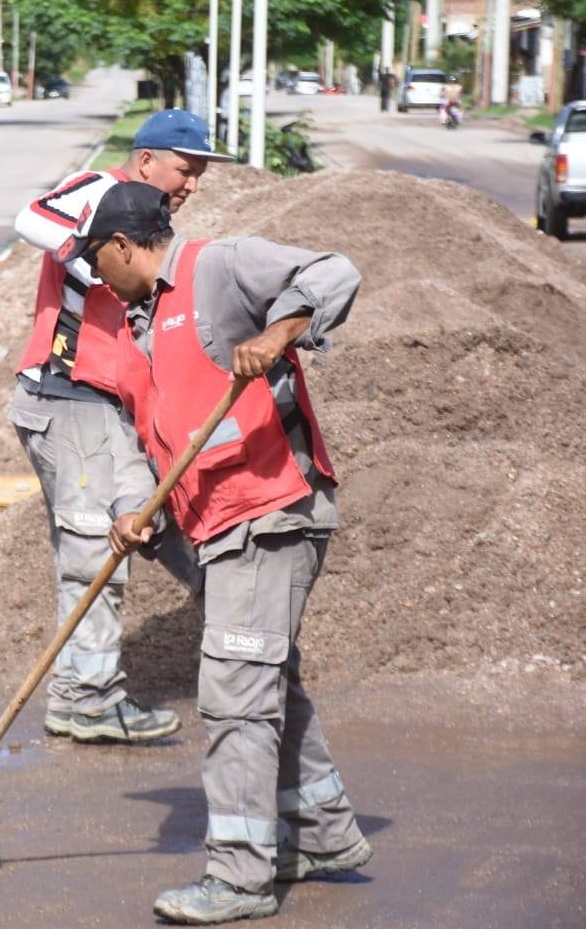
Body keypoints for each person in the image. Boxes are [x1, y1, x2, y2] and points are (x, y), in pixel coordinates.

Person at [62, 181, 369, 924]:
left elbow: (335, 271)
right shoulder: (138, 320)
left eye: (98, 260)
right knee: (264, 677)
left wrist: (280, 331)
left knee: (234, 692)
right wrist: (134, 509)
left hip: (271, 511)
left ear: (125, 244)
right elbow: (152, 434)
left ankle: (238, 877)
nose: (95, 277)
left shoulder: (217, 266)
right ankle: (324, 834)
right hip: (217, 524)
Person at [9, 109, 232, 745]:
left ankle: (221, 626)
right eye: (186, 170)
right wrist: (89, 257)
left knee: (145, 522)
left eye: (198, 175)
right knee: (92, 553)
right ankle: (86, 700)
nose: (192, 185)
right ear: (146, 160)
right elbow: (30, 219)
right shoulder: (98, 191)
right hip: (68, 395)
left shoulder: (153, 221)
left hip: (116, 408)